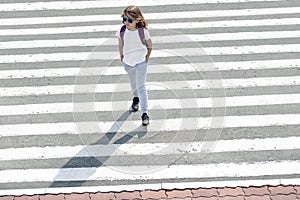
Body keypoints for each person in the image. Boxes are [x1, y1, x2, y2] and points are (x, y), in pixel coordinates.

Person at [116, 5, 152, 126]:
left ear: (137, 20)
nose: (126, 22)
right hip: (128, 62)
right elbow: (121, 44)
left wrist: (147, 57)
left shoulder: (143, 31)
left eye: (130, 20)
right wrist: (122, 57)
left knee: (141, 86)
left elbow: (150, 45)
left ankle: (144, 113)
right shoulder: (122, 30)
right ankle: (135, 99)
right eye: (124, 19)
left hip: (141, 62)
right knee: (133, 83)